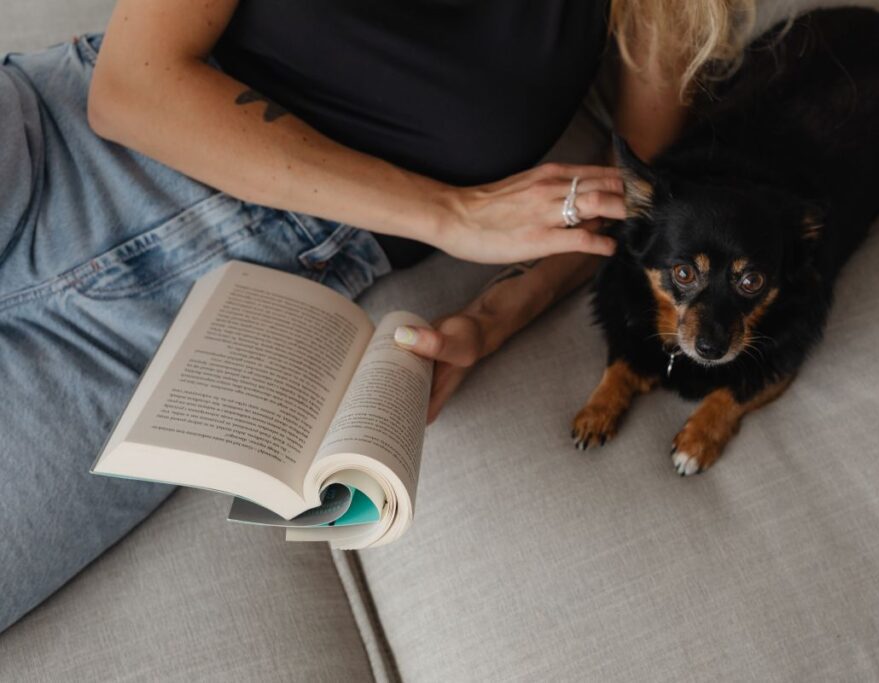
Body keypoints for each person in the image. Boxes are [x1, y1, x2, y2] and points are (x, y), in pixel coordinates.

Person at [0, 0, 755, 632]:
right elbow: (131, 88)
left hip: (209, 308)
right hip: (51, 147)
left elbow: (643, 215)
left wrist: (492, 317)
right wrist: (449, 214)